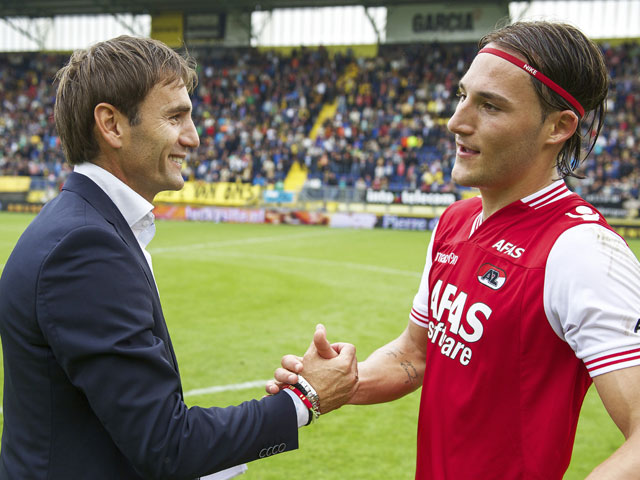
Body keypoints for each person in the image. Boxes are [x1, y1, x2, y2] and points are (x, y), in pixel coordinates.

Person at [270, 21, 640, 479]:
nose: (456, 121)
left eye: (490, 106)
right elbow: (415, 355)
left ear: (558, 127)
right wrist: (332, 384)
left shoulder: (581, 249)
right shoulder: (454, 222)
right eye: (463, 96)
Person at [0, 35, 358, 480]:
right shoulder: (84, 247)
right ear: (111, 125)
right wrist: (303, 400)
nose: (194, 136)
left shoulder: (81, 224)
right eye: (175, 117)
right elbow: (166, 446)